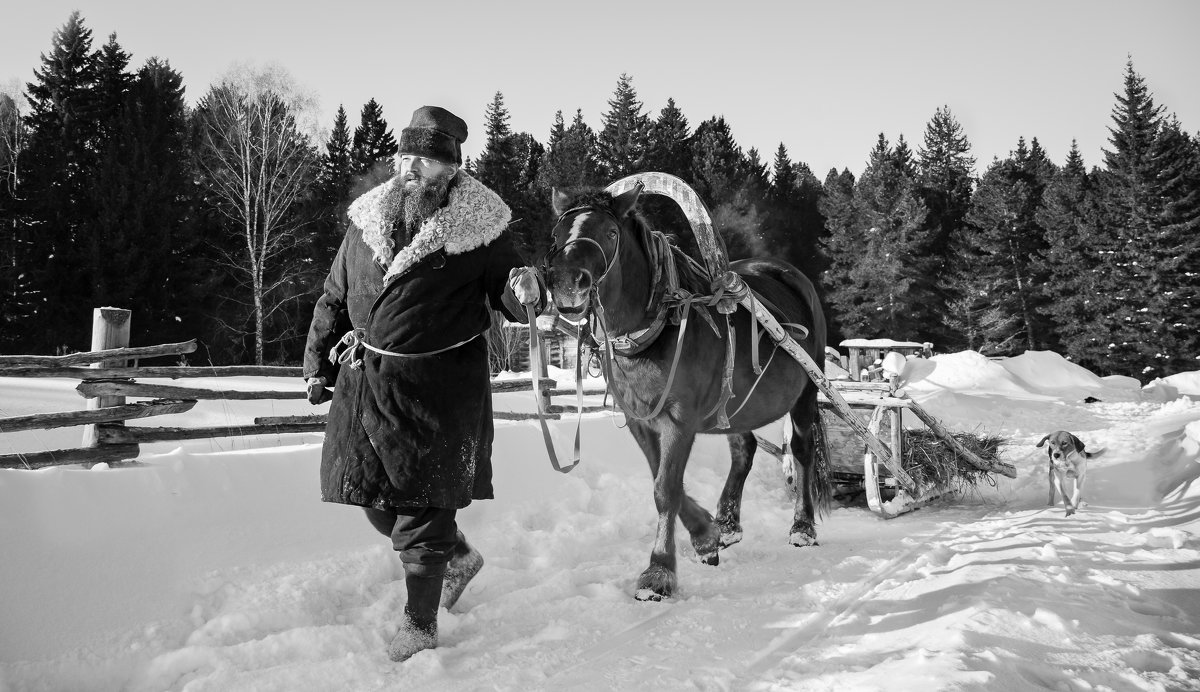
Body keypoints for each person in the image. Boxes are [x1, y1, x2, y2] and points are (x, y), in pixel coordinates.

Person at [303, 105, 543, 662]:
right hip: (368, 386)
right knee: (372, 499)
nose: (416, 170)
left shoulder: (482, 229)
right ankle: (457, 558)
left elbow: (509, 292)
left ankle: (419, 622)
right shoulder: (364, 222)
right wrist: (317, 362)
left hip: (441, 393)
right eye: (409, 158)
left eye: (429, 163)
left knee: (424, 510)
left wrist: (527, 286)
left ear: (452, 170)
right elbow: (334, 296)